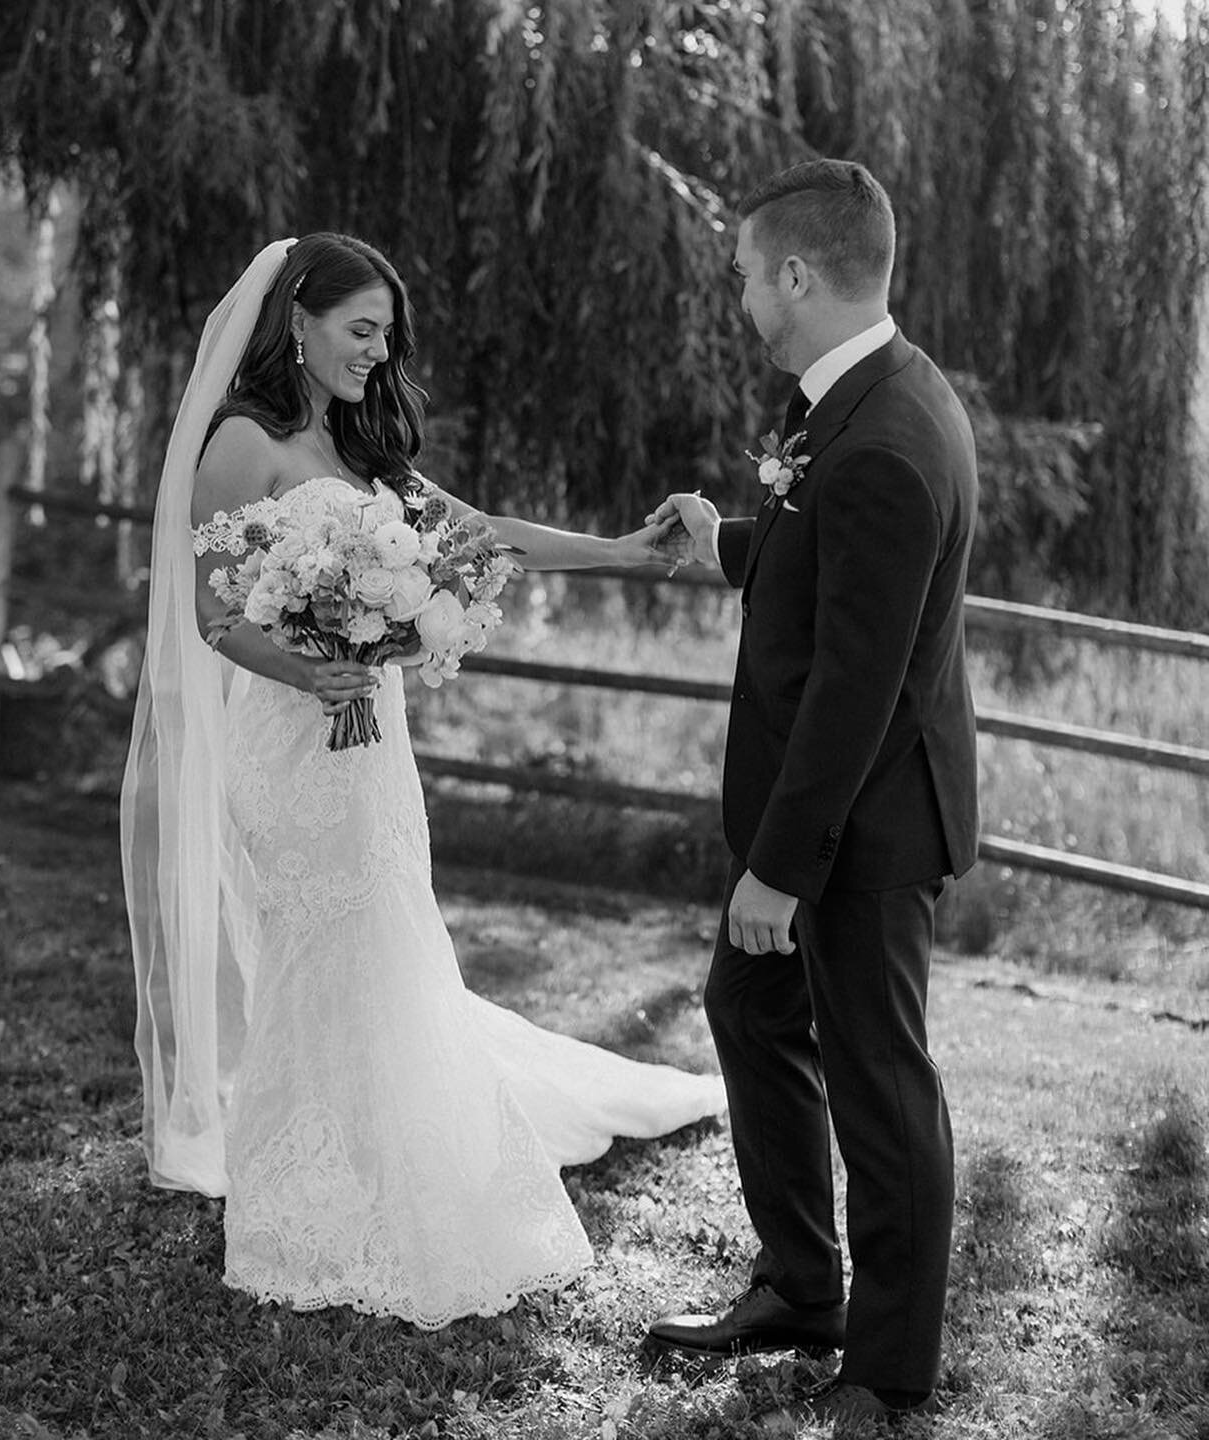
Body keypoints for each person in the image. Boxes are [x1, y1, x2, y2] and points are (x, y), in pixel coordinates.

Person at [120, 232, 725, 1331]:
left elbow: (482, 535)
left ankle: (393, 1154)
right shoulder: (239, 445)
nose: (375, 354)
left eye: (386, 338)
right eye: (360, 332)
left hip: (373, 744)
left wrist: (631, 553)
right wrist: (310, 661)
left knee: (393, 931)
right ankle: (304, 1195)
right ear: (297, 324)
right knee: (319, 944)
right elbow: (212, 615)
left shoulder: (364, 455)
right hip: (290, 743)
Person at [644, 160, 978, 1424]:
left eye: (743, 275)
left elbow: (859, 686)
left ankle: (887, 1372)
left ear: (797, 275)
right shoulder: (866, 395)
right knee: (750, 1011)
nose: (739, 298)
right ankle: (801, 1286)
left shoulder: (887, 438)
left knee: (883, 1084)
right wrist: (729, 536)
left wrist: (781, 870)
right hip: (829, 811)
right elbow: (834, 572)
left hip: (863, 827)